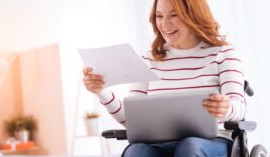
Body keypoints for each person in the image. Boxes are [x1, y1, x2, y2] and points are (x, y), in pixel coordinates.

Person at [82, 0, 246, 156]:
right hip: (160, 145)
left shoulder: (223, 55)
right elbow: (132, 120)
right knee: (136, 151)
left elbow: (239, 107)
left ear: (194, 15)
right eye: (159, 16)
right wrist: (102, 92)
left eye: (174, 15)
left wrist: (226, 108)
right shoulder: (149, 60)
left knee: (190, 146)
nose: (164, 24)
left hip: (212, 143)